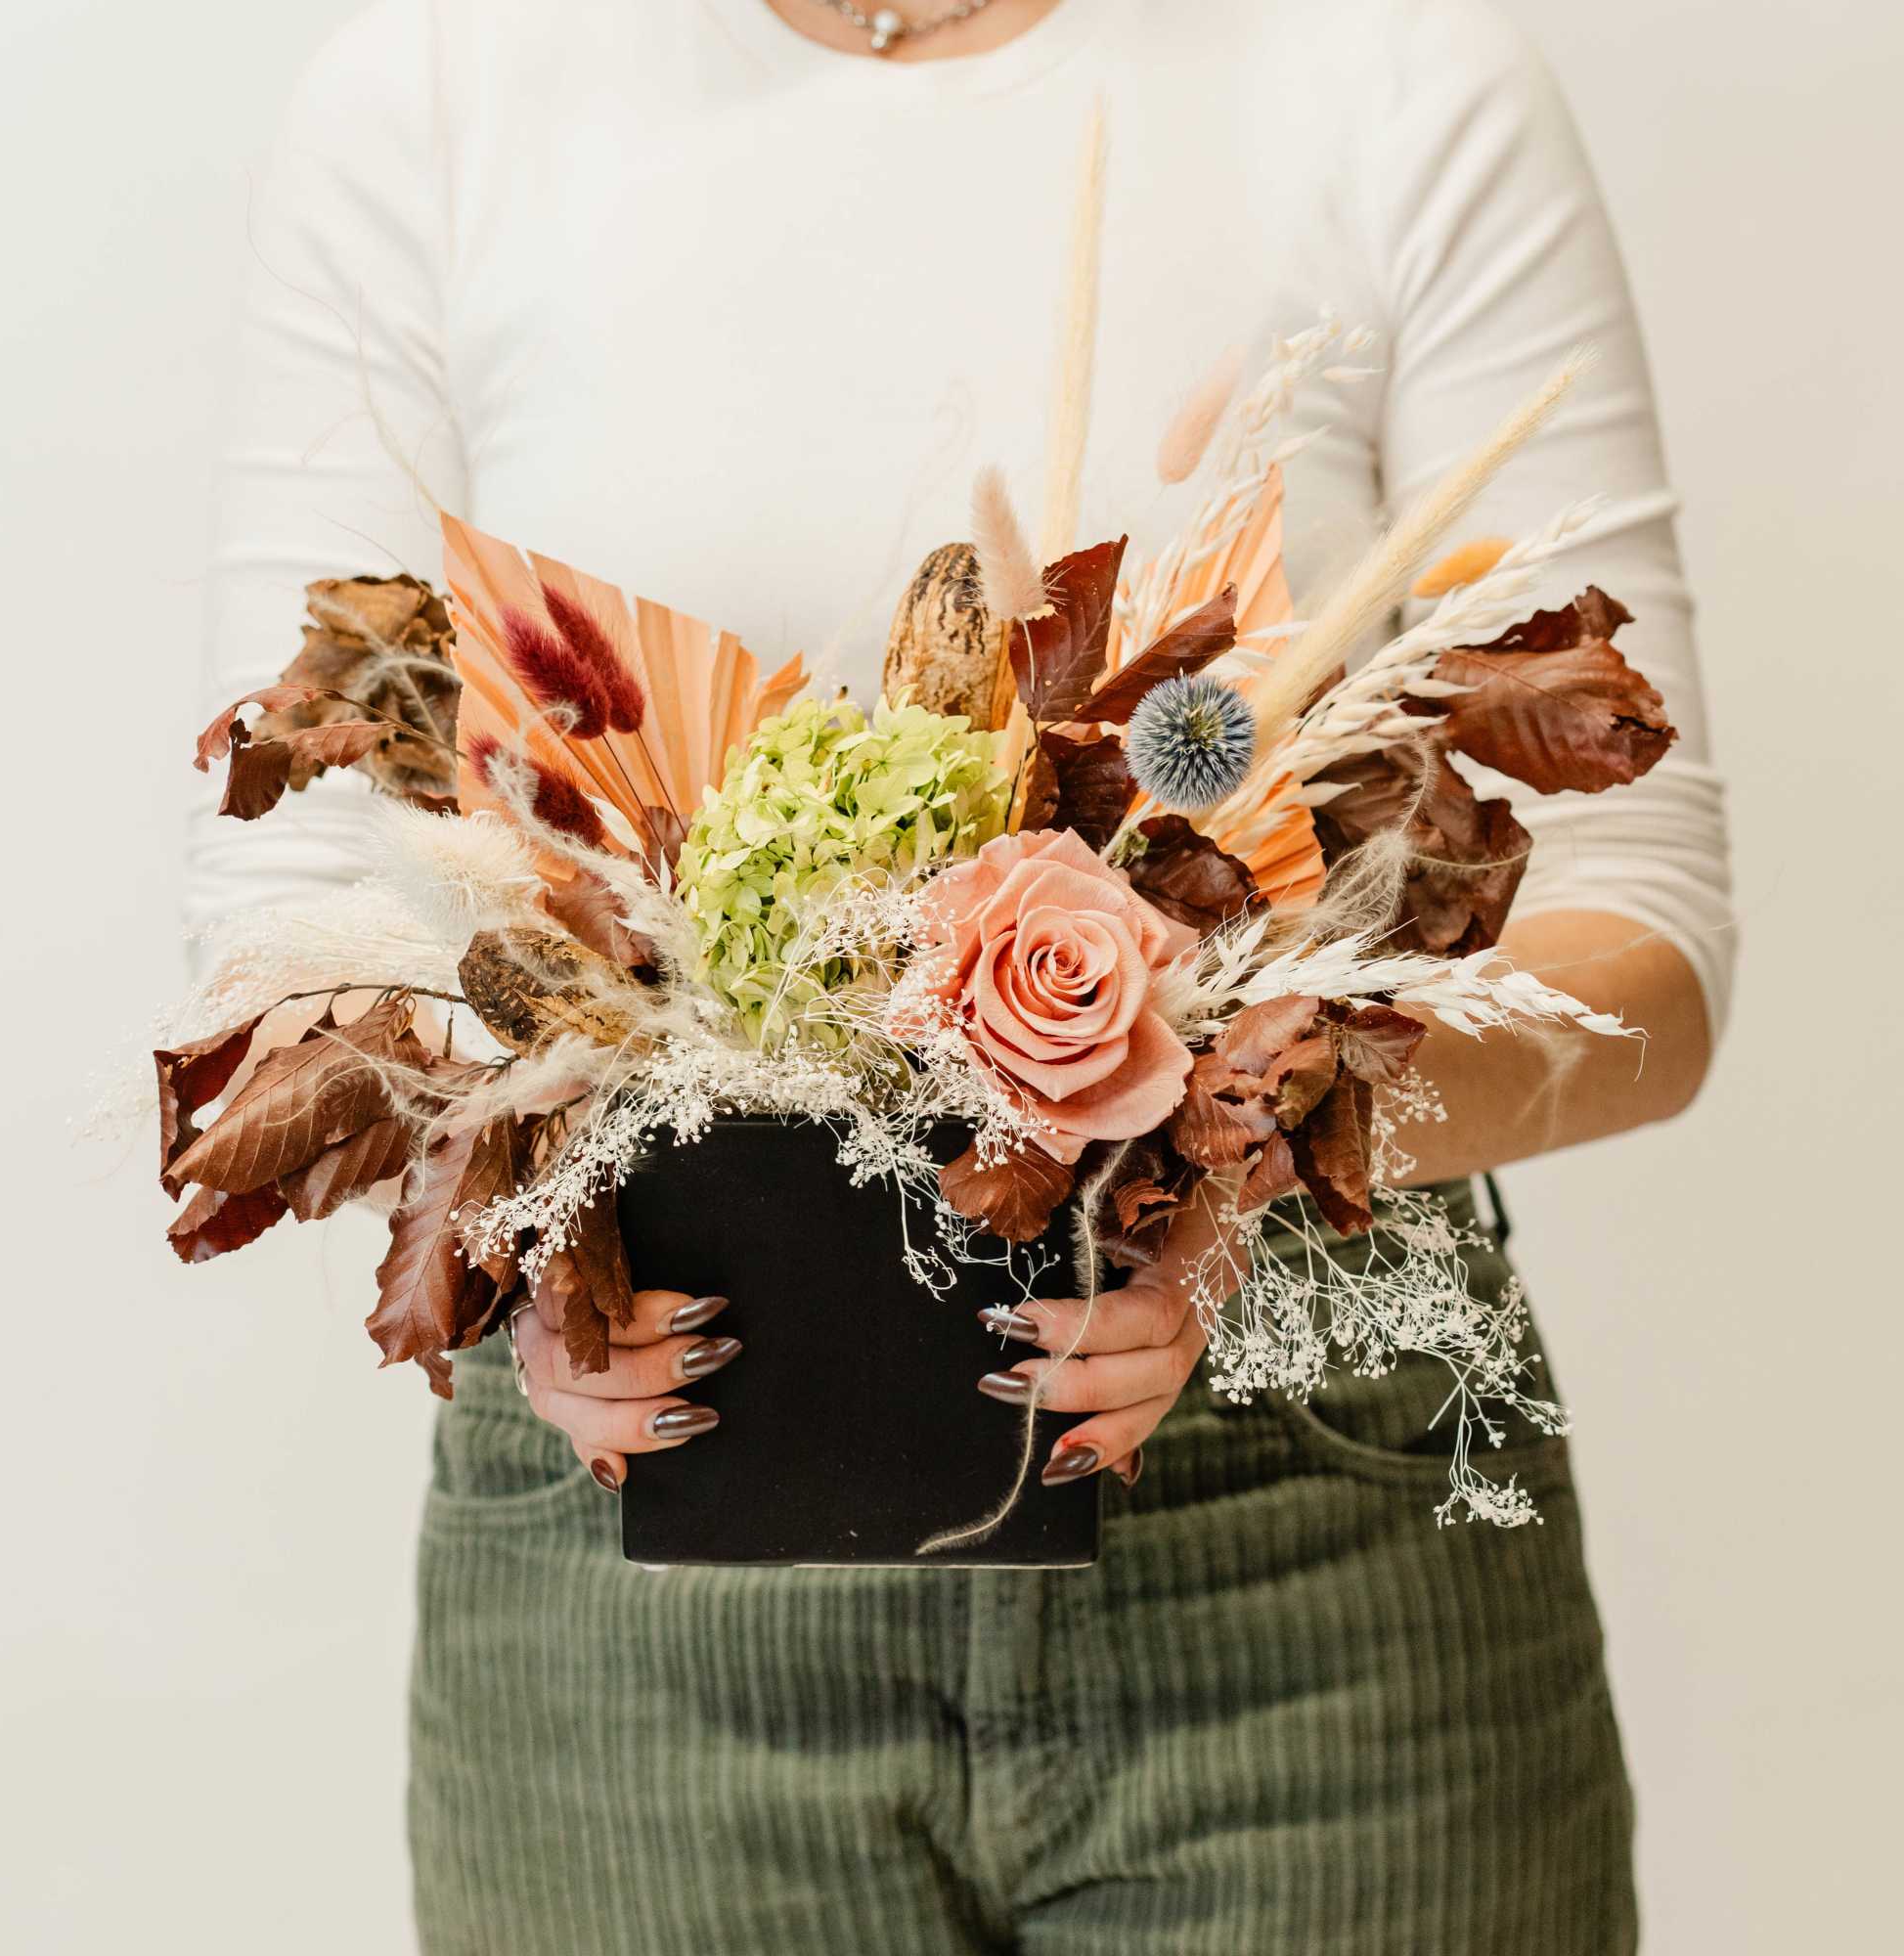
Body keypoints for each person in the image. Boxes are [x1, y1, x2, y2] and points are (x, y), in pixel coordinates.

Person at [193, 2, 1733, 1948]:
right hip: (644, 1541)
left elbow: (1642, 942)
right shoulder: (435, 99)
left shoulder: (1388, 72)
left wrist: (1257, 1139)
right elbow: (293, 896)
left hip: (1307, 1520)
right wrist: (528, 1245)